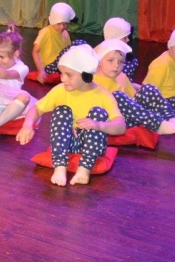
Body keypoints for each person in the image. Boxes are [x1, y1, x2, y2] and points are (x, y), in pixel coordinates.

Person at [16, 44, 125, 186]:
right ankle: (60, 166)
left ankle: (84, 169)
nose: (62, 79)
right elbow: (37, 109)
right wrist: (27, 125)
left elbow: (121, 126)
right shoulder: (60, 90)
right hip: (68, 143)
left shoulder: (104, 95)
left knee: (98, 112)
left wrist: (99, 125)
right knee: (61, 110)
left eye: (69, 75)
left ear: (86, 75)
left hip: (92, 145)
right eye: (62, 73)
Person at [93, 39, 175, 135]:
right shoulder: (93, 81)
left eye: (121, 62)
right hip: (115, 121)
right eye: (110, 60)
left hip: (133, 115)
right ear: (99, 61)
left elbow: (133, 99)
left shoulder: (122, 76)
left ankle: (171, 118)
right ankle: (159, 125)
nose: (116, 65)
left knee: (148, 88)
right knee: (117, 96)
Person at [32, 2, 84, 83]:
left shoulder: (65, 33)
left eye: (66, 24)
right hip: (50, 67)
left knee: (80, 47)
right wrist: (41, 70)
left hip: (62, 64)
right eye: (59, 24)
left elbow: (68, 52)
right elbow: (35, 52)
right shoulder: (45, 32)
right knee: (78, 43)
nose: (62, 27)